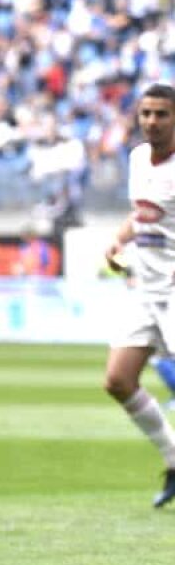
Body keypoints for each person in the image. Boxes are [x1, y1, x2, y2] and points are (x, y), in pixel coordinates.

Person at [102, 83, 175, 509]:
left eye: (161, 114)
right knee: (118, 380)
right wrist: (117, 240)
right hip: (144, 289)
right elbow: (142, 214)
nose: (151, 121)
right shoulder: (136, 158)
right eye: (146, 113)